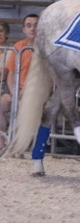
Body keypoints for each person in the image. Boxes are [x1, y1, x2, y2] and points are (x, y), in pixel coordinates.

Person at [0, 14, 39, 150]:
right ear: (23, 29)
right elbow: (11, 73)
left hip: (36, 93)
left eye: (36, 25)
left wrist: (26, 93)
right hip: (17, 90)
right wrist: (14, 92)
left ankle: (21, 144)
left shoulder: (45, 48)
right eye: (28, 25)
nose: (32, 29)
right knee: (2, 103)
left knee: (26, 106)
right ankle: (3, 142)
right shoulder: (18, 46)